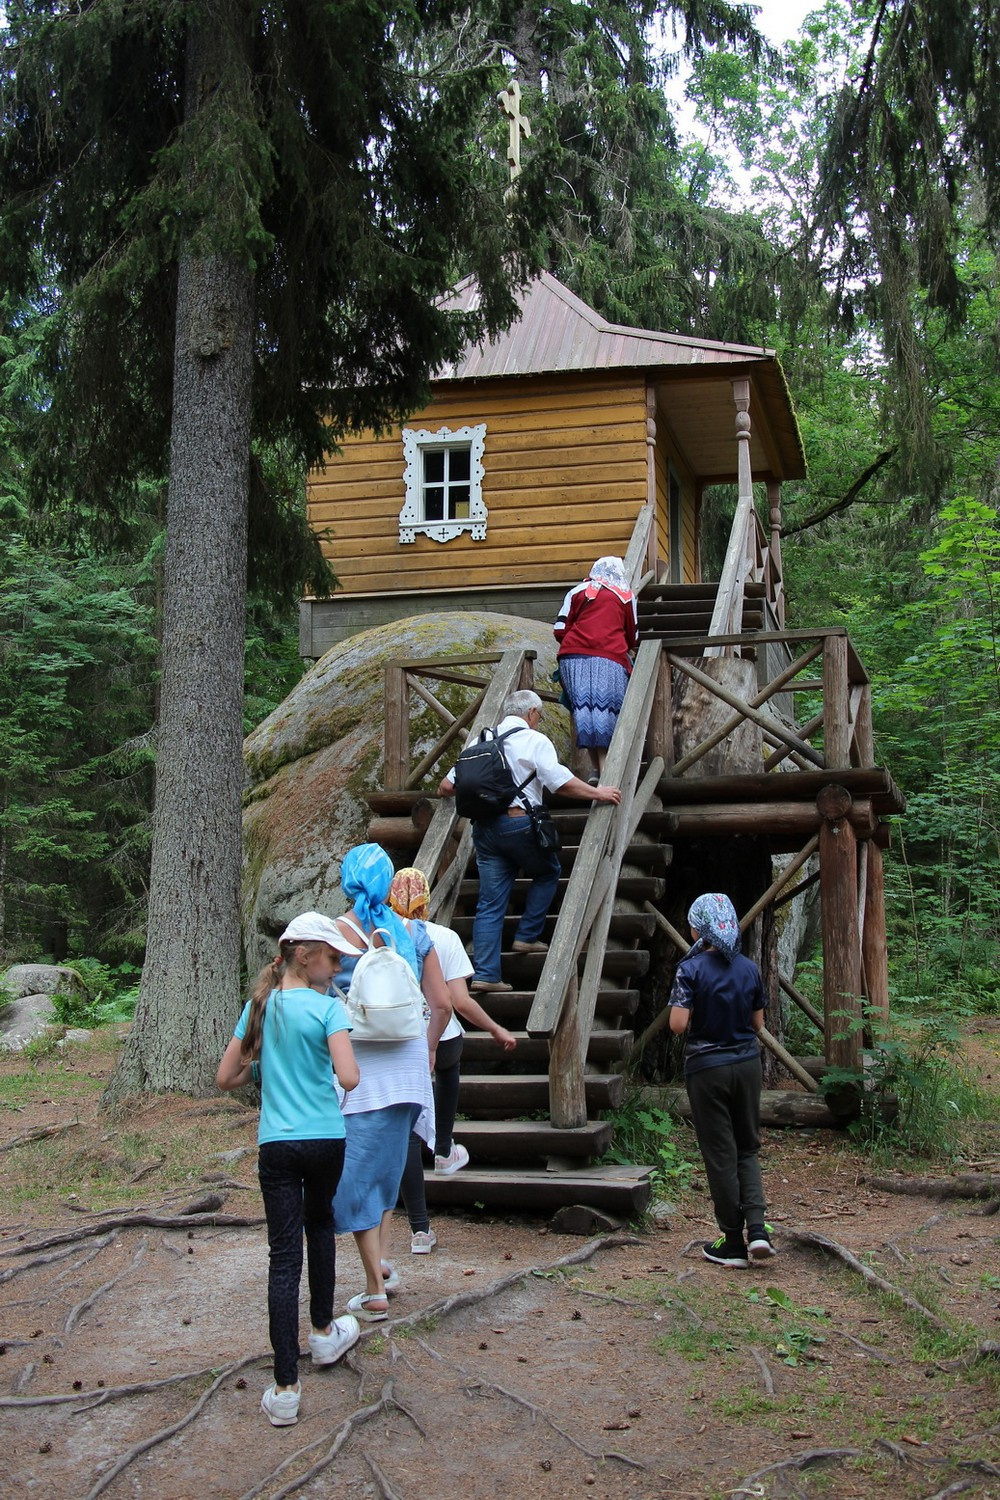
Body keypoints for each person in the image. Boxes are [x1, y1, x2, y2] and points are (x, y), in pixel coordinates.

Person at [216, 912, 362, 1428]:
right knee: (320, 1226)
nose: (339, 965)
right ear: (305, 955)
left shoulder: (259, 1007)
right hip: (325, 1140)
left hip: (277, 1144)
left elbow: (225, 1077)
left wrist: (267, 1066)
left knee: (283, 1258)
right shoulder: (328, 1011)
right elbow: (348, 1077)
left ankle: (284, 1389)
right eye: (333, 956)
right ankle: (323, 1336)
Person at [329, 843, 451, 1321]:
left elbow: (320, 1002)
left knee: (358, 1177)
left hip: (360, 1074)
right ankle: (379, 1262)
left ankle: (373, 1288)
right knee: (384, 1172)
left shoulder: (335, 935)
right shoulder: (413, 932)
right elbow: (441, 1004)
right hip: (407, 1071)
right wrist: (429, 1048)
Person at [439, 689, 622, 993]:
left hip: (484, 831)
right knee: (548, 871)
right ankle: (526, 935)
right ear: (532, 713)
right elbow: (558, 781)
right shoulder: (535, 741)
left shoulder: (479, 742)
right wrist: (598, 793)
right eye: (540, 716)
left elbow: (447, 786)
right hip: (519, 824)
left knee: (489, 903)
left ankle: (486, 973)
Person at [388, 866, 517, 1252]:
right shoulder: (442, 937)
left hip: (395, 1041)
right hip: (438, 1037)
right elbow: (456, 1002)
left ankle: (419, 1230)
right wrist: (495, 1028)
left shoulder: (380, 936)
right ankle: (443, 1148)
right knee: (448, 1066)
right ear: (427, 899)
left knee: (409, 1131)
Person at [667, 893, 775, 1269]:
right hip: (746, 1065)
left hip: (707, 1068)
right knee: (747, 1148)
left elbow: (678, 1025)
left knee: (720, 1154)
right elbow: (757, 1024)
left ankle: (732, 1242)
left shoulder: (690, 969)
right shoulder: (749, 968)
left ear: (701, 928)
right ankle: (759, 1231)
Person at [554, 556, 638, 782]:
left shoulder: (577, 591)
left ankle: (596, 771)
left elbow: (560, 629)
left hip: (573, 658)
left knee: (585, 711)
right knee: (607, 712)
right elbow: (633, 635)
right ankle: (607, 774)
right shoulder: (625, 595)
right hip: (609, 658)